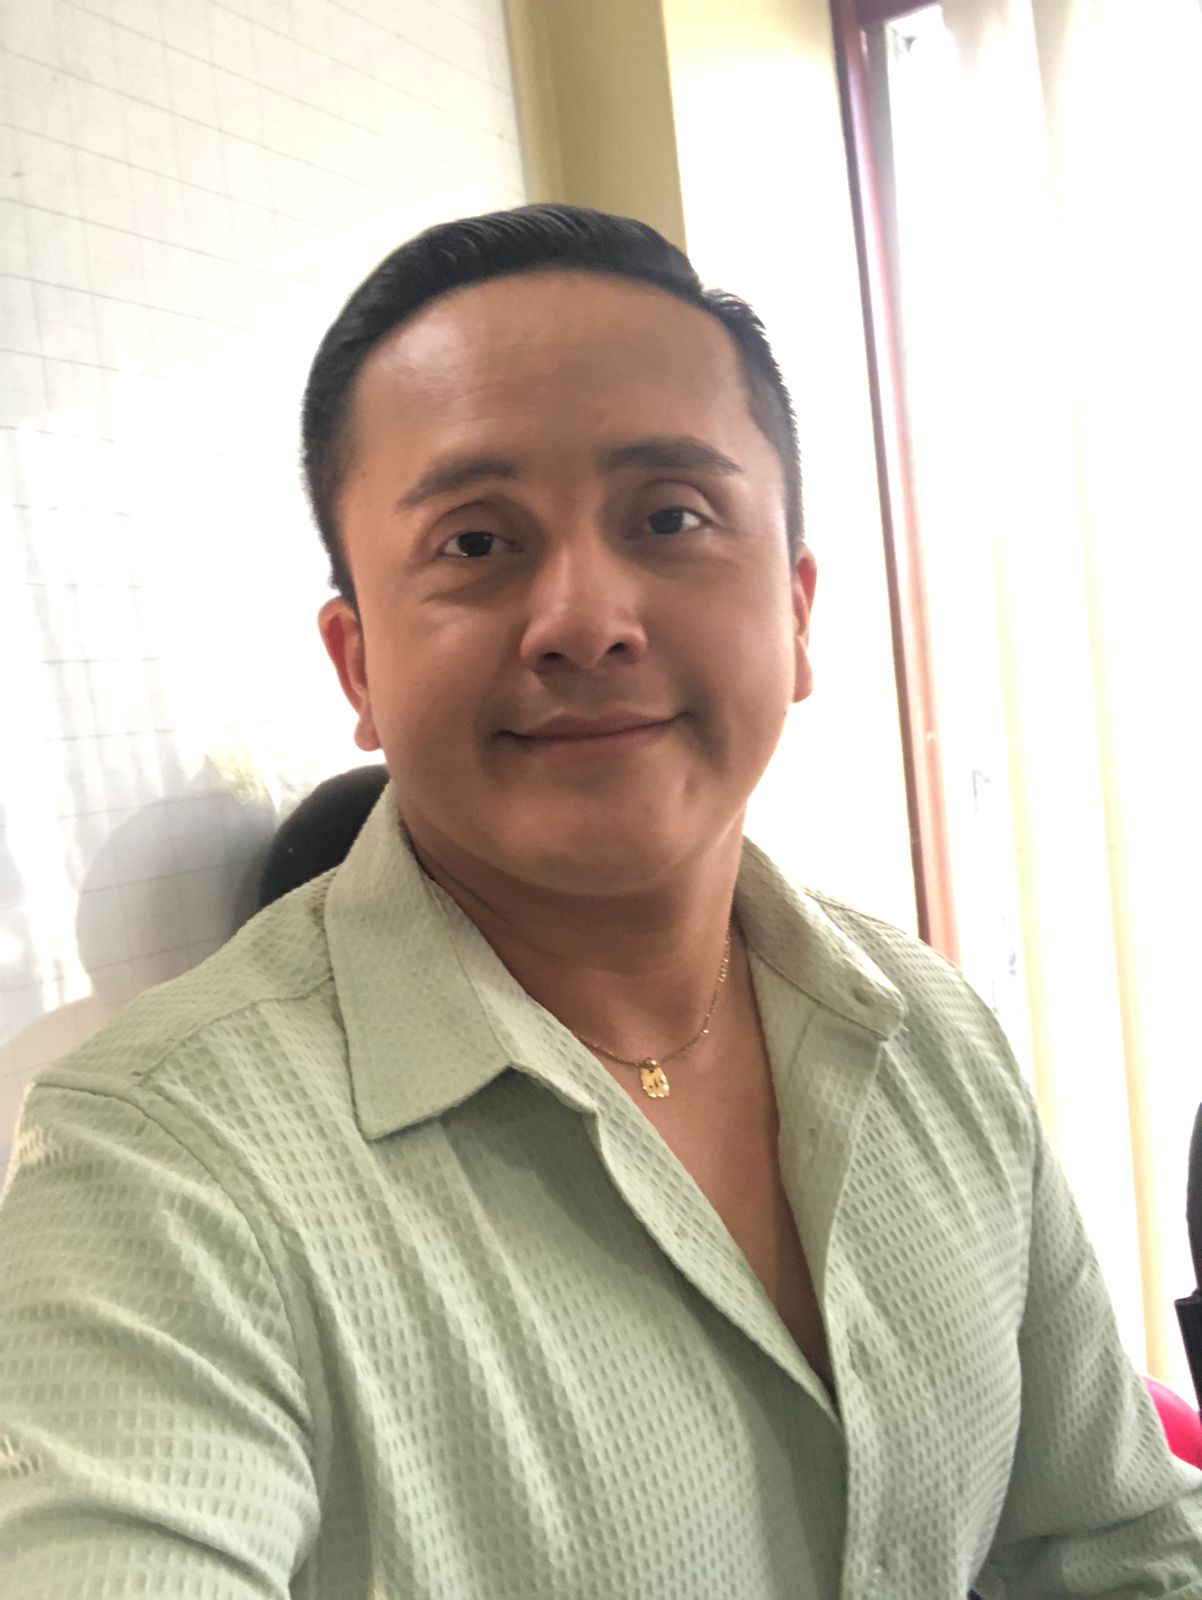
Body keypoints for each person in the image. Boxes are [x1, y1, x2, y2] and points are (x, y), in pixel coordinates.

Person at [0, 204, 1198, 1600]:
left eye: (671, 517)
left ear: (797, 611)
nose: (584, 618)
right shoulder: (163, 1168)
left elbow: (1115, 1545)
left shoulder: (925, 1029)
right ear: (359, 668)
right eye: (474, 543)